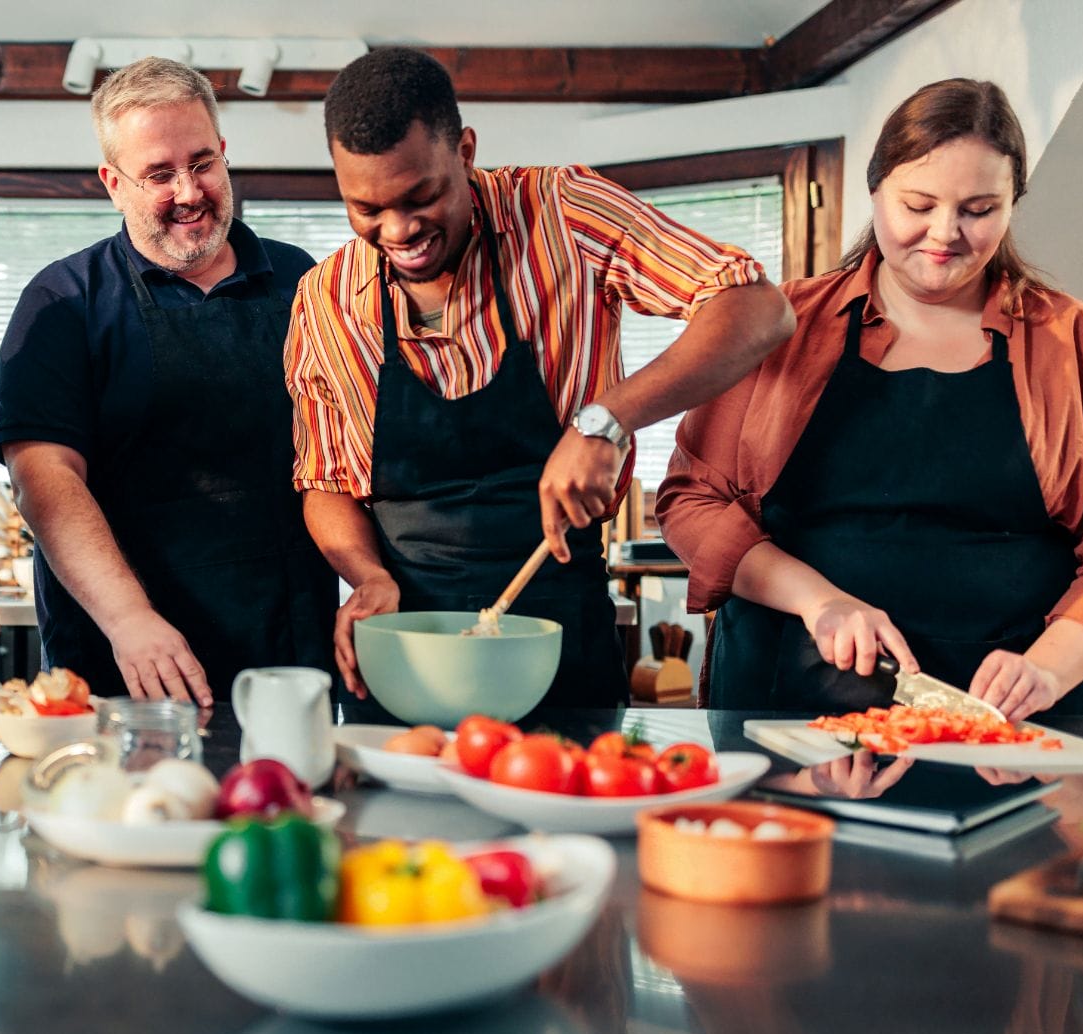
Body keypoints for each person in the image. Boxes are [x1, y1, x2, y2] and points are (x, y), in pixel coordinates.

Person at [287, 47, 795, 712]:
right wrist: (366, 576)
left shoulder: (563, 211)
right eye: (367, 209)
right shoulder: (323, 300)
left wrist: (607, 419)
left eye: (422, 196)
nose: (400, 230)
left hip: (560, 641)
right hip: (406, 649)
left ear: (466, 151)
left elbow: (759, 309)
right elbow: (325, 482)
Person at [658, 78, 1083, 723]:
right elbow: (691, 501)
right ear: (875, 190)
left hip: (1016, 712)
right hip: (790, 697)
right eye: (918, 204)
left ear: (1012, 205)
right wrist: (820, 602)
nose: (944, 234)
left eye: (979, 210)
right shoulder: (778, 327)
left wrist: (1048, 666)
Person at [0, 57, 338, 708]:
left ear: (225, 156)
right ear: (112, 184)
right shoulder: (64, 301)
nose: (188, 190)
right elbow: (44, 479)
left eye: (202, 162)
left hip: (289, 656)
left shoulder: (302, 283)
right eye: (158, 174)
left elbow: (341, 455)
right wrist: (129, 621)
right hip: (128, 662)